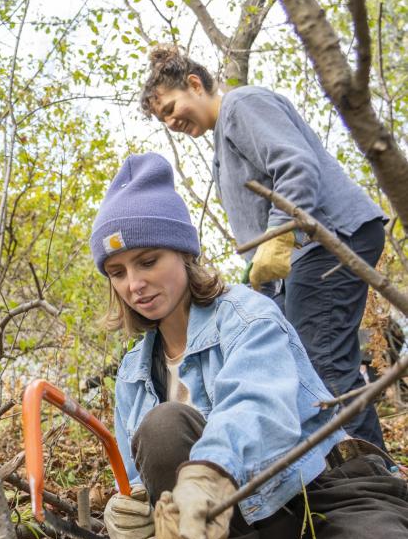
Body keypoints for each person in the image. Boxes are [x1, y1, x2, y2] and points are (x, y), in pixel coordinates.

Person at [92, 152, 408, 539]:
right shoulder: (133, 374)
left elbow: (256, 404)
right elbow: (148, 472)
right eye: (118, 272)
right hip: (258, 536)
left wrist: (207, 474)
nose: (135, 284)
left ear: (185, 254)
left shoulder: (247, 315)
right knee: (161, 427)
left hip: (330, 495)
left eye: (148, 260)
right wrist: (137, 510)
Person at [139, 46, 387, 449]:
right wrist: (263, 277)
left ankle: (374, 479)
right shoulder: (223, 140)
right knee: (300, 362)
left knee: (322, 364)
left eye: (170, 107)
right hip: (306, 252)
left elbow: (294, 164)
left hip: (329, 240)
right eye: (162, 118)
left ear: (195, 84)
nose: (170, 121)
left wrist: (278, 237)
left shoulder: (241, 104)